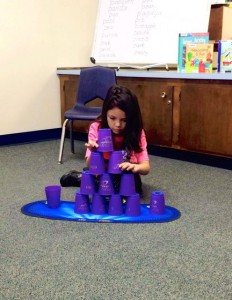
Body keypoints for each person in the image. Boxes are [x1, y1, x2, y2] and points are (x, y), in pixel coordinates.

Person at [85, 84, 150, 195]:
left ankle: (84, 179)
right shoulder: (96, 128)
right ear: (105, 114)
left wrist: (136, 167)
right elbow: (89, 165)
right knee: (96, 185)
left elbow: (146, 168)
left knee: (134, 187)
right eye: (112, 118)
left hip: (126, 176)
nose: (118, 124)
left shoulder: (137, 132)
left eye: (124, 119)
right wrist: (93, 152)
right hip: (103, 173)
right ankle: (82, 178)